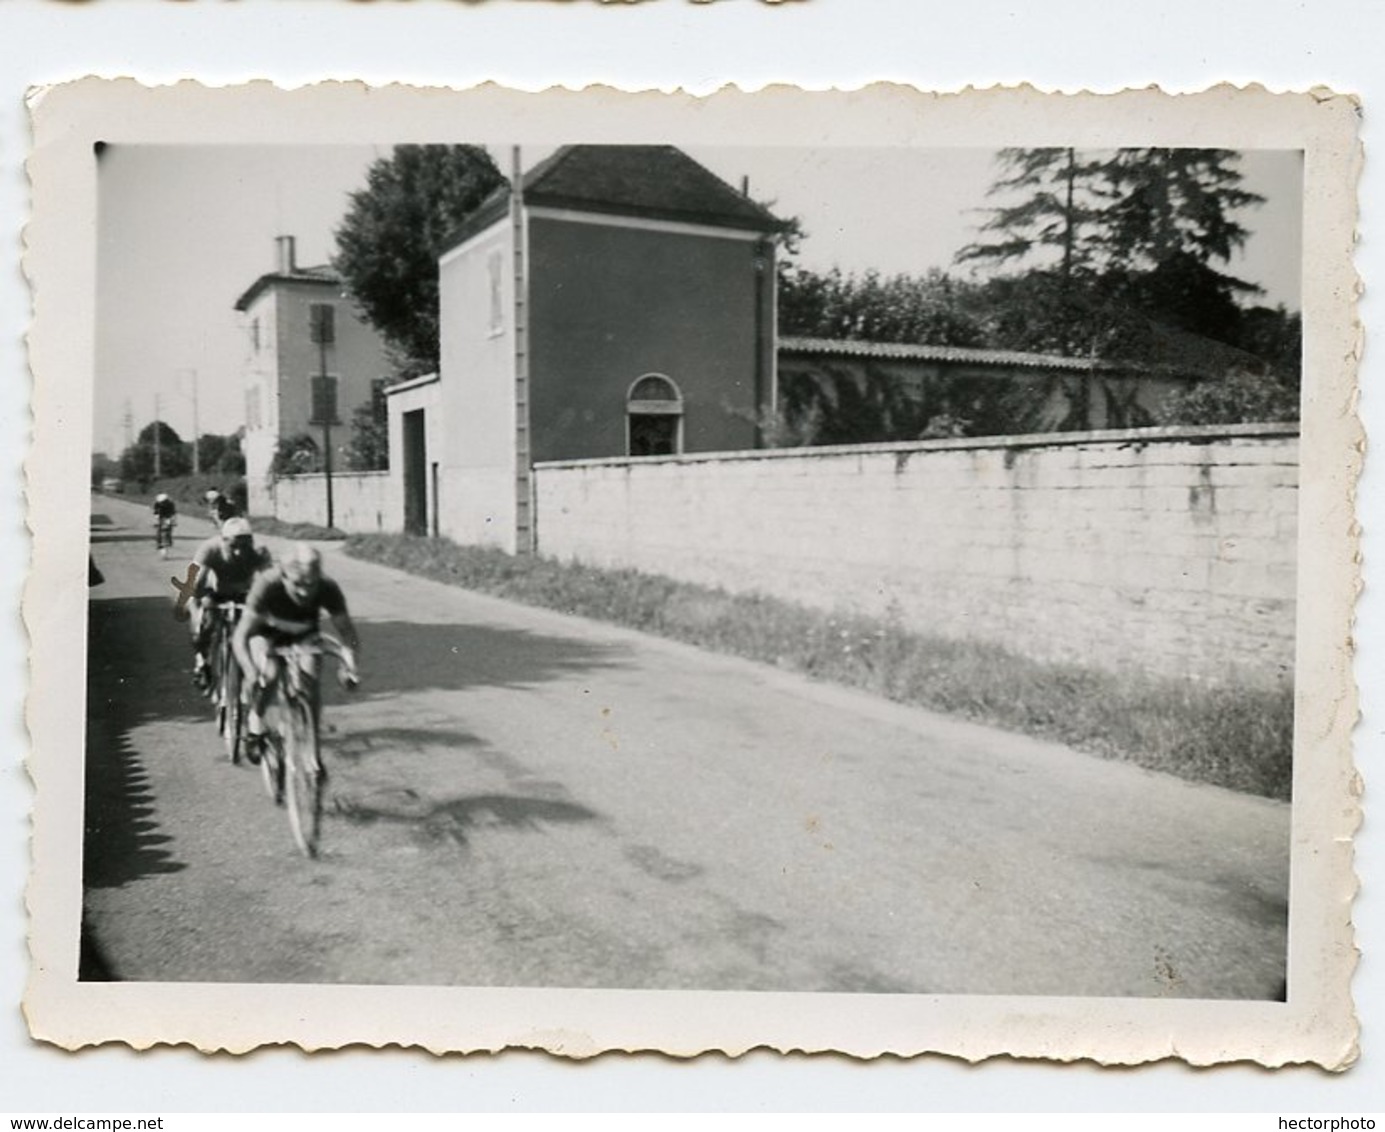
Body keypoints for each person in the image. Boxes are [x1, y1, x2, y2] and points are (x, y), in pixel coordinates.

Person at [232, 543, 360, 762]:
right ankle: (255, 723)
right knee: (269, 675)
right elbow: (240, 637)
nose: (304, 591)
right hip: (265, 633)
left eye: (311, 584)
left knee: (310, 680)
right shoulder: (266, 585)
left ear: (319, 576)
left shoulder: (328, 587)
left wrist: (349, 666)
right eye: (297, 584)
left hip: (304, 635)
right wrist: (250, 671)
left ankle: (313, 753)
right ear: (283, 576)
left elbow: (348, 634)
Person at [189, 516, 273, 690]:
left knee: (260, 630)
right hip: (215, 593)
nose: (238, 552)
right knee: (204, 624)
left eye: (244, 546)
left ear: (251, 541)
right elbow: (194, 584)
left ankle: (256, 671)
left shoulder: (260, 551)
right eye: (233, 546)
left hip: (245, 594)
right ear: (223, 540)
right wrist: (201, 603)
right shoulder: (210, 549)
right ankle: (202, 661)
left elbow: (270, 583)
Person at [151, 492, 177, 557]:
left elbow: (173, 513)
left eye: (164, 502)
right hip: (160, 517)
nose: (163, 503)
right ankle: (159, 543)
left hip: (168, 516)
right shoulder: (157, 504)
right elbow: (155, 512)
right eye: (161, 502)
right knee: (159, 531)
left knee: (168, 530)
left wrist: (173, 520)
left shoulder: (171, 504)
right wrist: (156, 517)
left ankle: (169, 541)